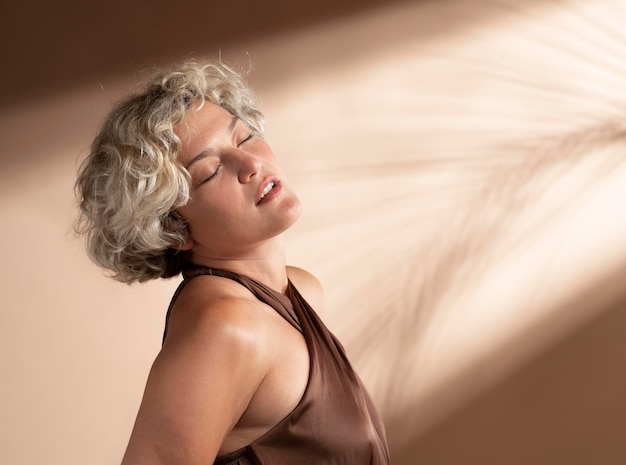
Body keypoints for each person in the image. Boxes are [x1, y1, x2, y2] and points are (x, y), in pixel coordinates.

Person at [75, 59, 390, 465]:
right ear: (175, 230)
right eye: (210, 171)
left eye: (243, 139)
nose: (251, 165)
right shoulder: (226, 326)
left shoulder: (301, 291)